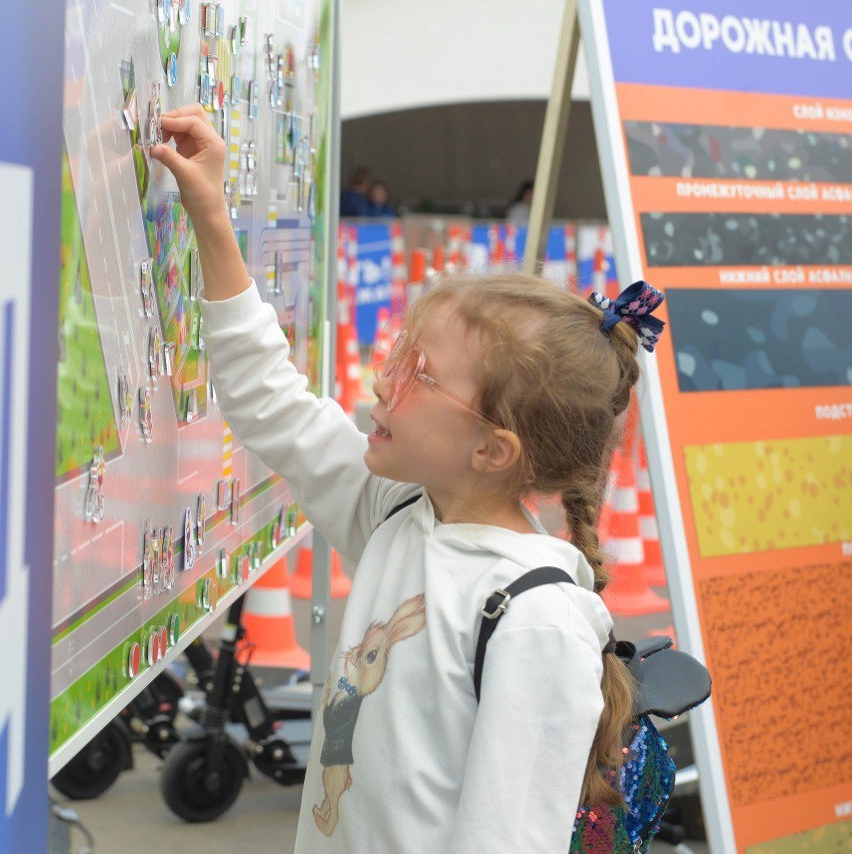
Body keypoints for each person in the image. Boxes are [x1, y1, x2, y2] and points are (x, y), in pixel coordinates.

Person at [151, 104, 662, 851]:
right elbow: (271, 401)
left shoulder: (536, 622)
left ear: (493, 449)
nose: (384, 383)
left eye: (420, 372)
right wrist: (212, 217)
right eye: (398, 353)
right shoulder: (401, 512)